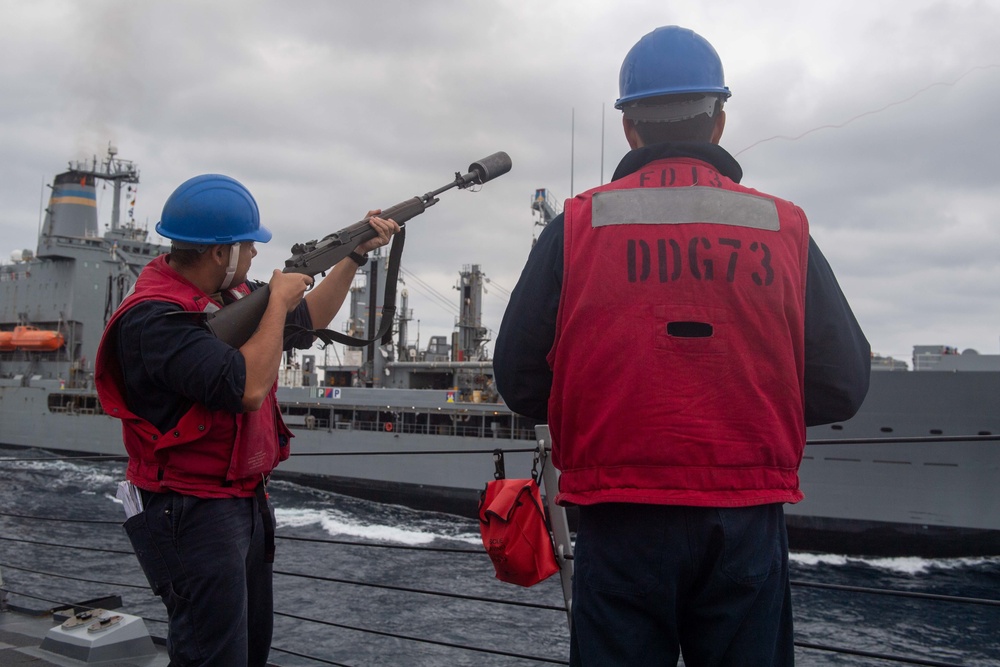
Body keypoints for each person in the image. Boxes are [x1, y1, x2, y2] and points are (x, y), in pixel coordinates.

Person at [494, 26, 871, 667]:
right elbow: (843, 383)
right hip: (747, 518)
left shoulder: (576, 227)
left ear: (628, 128)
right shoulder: (783, 227)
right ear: (719, 120)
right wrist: (735, 406)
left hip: (619, 517)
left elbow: (518, 378)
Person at [95, 174, 399, 666]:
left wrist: (354, 255)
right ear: (220, 252)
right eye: (249, 246)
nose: (256, 255)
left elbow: (310, 320)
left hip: (239, 501)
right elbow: (248, 388)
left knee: (247, 650)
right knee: (212, 655)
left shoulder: (230, 297)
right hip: (189, 510)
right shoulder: (154, 319)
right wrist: (277, 302)